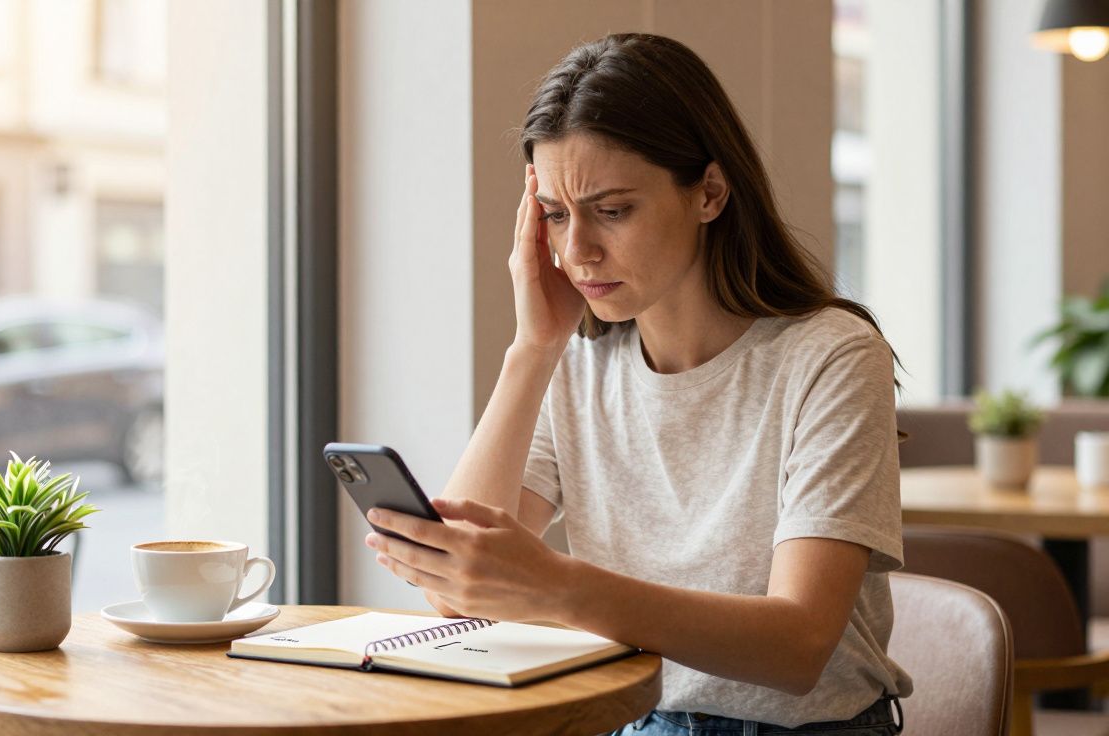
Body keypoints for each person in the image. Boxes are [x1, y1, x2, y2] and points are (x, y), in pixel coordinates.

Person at [363, 33, 911, 735]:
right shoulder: (576, 365)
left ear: (709, 192)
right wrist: (532, 347)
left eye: (613, 210)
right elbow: (460, 589)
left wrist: (558, 587)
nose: (577, 251)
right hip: (633, 721)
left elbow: (797, 646)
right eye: (557, 215)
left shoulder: (830, 357)